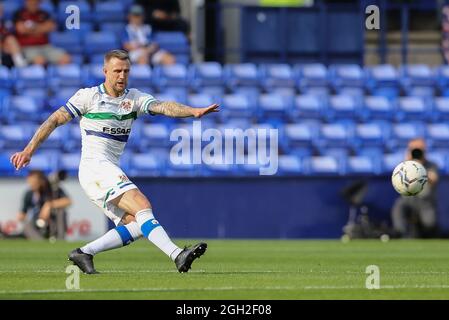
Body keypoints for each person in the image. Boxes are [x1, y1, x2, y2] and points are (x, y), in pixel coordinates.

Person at [10, 49, 219, 274]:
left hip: (103, 172)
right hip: (95, 167)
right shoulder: (88, 97)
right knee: (142, 205)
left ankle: (84, 252)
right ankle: (177, 254)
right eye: (117, 71)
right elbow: (54, 120)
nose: (122, 76)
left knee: (137, 224)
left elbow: (163, 106)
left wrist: (193, 111)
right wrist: (29, 150)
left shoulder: (134, 98)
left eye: (126, 71)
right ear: (105, 71)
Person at [391, 138, 439, 238]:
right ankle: (401, 234)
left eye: (419, 150)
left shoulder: (431, 165)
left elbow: (434, 179)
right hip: (407, 200)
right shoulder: (404, 165)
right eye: (414, 150)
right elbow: (397, 178)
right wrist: (409, 163)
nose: (417, 153)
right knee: (398, 208)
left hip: (424, 201)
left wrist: (418, 168)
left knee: (430, 223)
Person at [17, 170, 71, 240]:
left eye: (34, 182)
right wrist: (22, 217)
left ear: (41, 181)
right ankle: (40, 241)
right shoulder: (29, 194)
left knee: (61, 212)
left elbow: (68, 201)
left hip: (52, 220)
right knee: (27, 226)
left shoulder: (51, 189)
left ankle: (60, 239)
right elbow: (22, 213)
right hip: (37, 221)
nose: (32, 184)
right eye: (30, 182)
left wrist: (49, 205)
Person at [13, 0, 71, 65]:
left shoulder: (44, 14)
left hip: (46, 47)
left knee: (66, 58)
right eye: (31, 2)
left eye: (36, 2)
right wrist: (41, 28)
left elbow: (51, 27)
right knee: (40, 61)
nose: (33, 3)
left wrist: (31, 29)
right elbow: (21, 30)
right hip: (28, 48)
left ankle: (56, 74)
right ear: (26, 2)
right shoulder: (19, 14)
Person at [0, 2, 27, 68]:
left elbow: (9, 35)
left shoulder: (6, 23)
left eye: (1, 10)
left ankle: (21, 67)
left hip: (7, 49)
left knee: (11, 39)